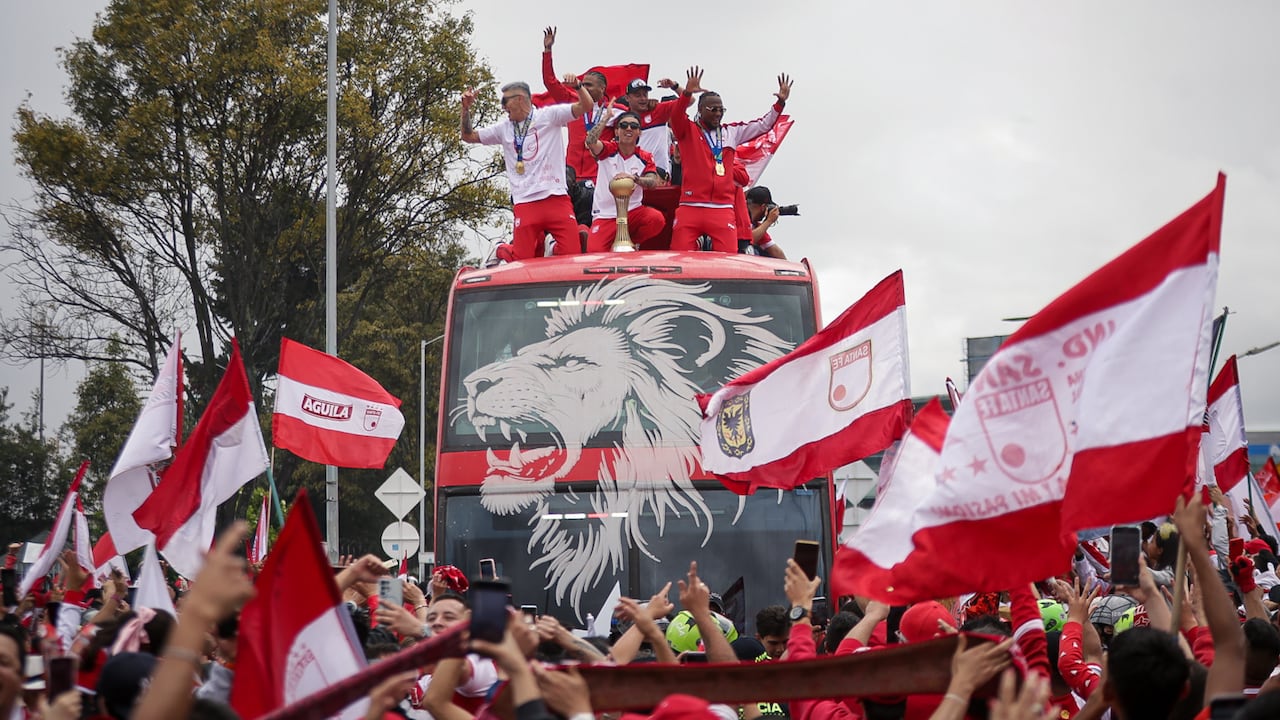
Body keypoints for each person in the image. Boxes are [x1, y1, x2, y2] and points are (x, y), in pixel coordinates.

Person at [461, 79, 594, 261]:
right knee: (522, 261)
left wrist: (578, 87)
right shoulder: (504, 129)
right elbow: (468, 136)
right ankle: (501, 248)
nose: (503, 108)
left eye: (505, 102)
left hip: (555, 196)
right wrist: (465, 109)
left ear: (521, 99)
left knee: (572, 254)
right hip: (525, 202)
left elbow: (586, 106)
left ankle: (552, 247)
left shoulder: (549, 116)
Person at [668, 67, 792, 253]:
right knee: (680, 256)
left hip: (721, 208)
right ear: (700, 110)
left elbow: (763, 125)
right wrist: (686, 93)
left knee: (728, 259)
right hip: (690, 206)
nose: (718, 113)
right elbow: (676, 117)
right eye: (713, 109)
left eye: (721, 109)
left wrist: (780, 103)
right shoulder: (688, 130)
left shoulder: (730, 132)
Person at [539, 27, 625, 227]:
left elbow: (635, 127)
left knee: (591, 219)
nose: (584, 88)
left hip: (599, 175)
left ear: (602, 89)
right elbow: (550, 82)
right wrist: (547, 51)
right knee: (564, 217)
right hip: (570, 172)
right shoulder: (572, 102)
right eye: (583, 84)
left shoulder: (616, 110)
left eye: (589, 86)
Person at [584, 108, 665, 252]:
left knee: (656, 219)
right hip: (605, 214)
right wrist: (605, 118)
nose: (628, 128)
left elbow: (652, 182)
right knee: (594, 253)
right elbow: (590, 141)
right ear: (616, 131)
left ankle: (630, 243)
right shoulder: (608, 150)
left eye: (634, 126)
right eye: (623, 125)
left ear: (639, 132)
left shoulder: (645, 156)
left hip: (633, 212)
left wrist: (634, 178)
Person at [744, 186, 788, 259]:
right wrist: (768, 221)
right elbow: (747, 241)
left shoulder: (757, 226)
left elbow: (776, 252)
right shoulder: (739, 218)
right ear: (763, 207)